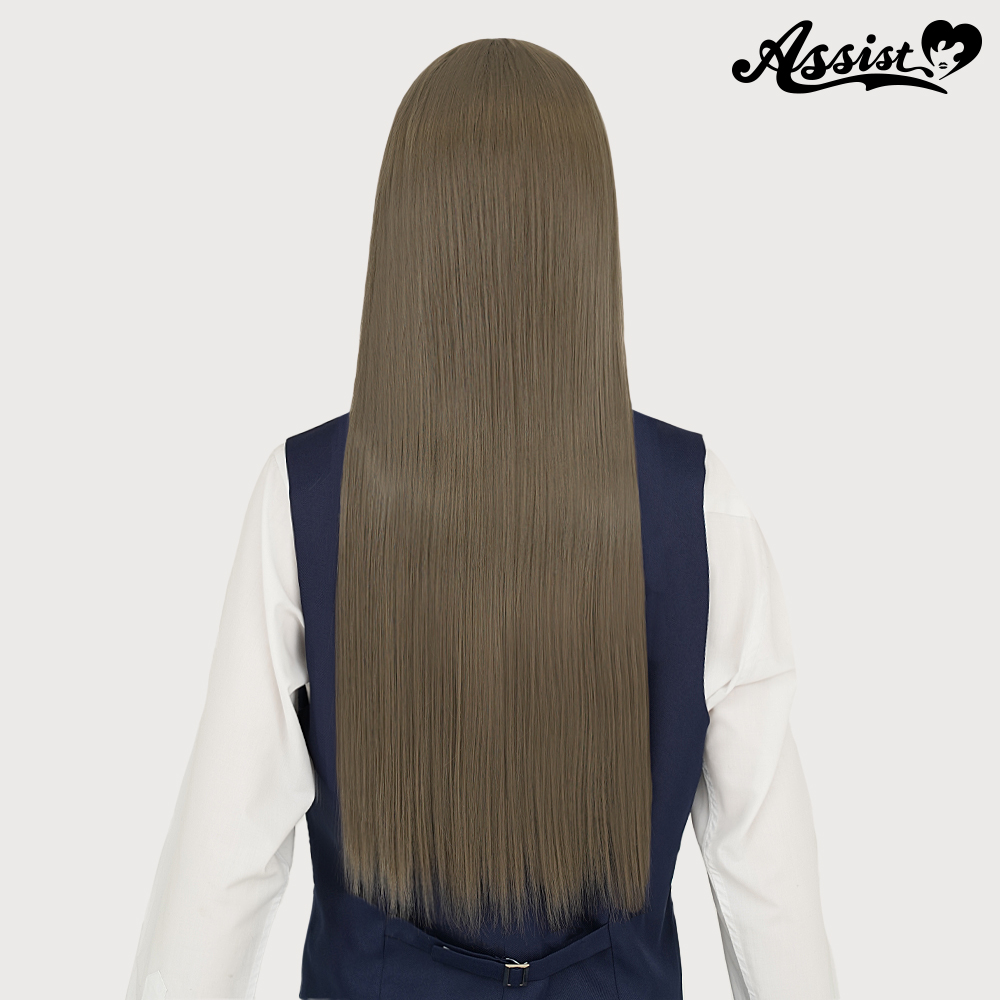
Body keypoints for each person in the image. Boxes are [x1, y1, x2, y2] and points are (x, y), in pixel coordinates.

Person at [127, 37, 839, 1000]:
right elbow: (769, 883)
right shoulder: (698, 503)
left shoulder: (307, 493)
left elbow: (224, 863)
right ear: (587, 232)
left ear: (406, 233)